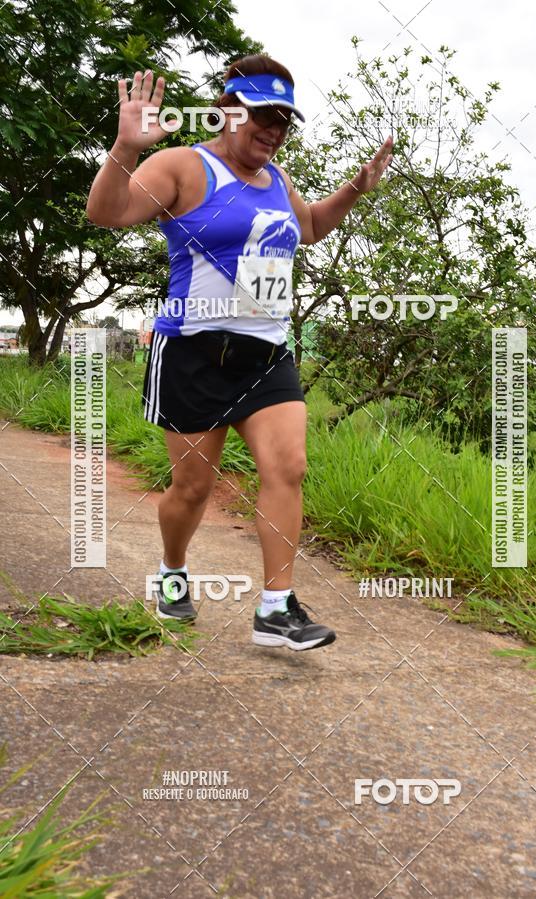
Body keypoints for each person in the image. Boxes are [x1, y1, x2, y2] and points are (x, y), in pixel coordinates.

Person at [86, 54, 392, 651]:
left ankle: (276, 609)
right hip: (193, 353)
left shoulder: (279, 181)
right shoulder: (184, 166)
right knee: (192, 490)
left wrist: (356, 187)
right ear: (227, 111)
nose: (273, 132)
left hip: (267, 353)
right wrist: (126, 149)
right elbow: (107, 213)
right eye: (261, 117)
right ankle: (173, 569)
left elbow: (308, 228)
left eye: (283, 121)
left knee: (288, 468)